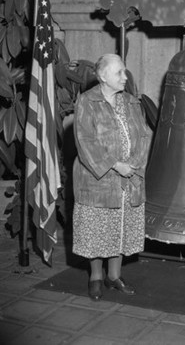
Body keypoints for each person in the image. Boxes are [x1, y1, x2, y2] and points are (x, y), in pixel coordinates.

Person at [72, 54, 152, 301]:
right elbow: (85, 141)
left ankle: (114, 276)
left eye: (125, 72)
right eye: (119, 73)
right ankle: (96, 277)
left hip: (129, 178)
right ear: (103, 76)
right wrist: (116, 165)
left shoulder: (131, 102)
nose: (125, 77)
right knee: (98, 230)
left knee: (120, 227)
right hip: (98, 180)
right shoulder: (87, 101)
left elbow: (144, 135)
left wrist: (134, 164)